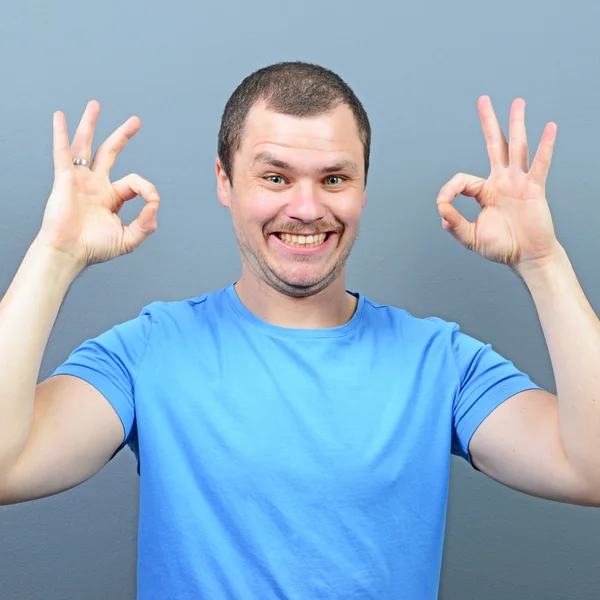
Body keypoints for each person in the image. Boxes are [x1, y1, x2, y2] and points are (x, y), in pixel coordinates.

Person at [0, 61, 598, 599]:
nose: (309, 208)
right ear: (224, 182)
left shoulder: (441, 362)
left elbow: (590, 470)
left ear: (364, 187)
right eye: (276, 178)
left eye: (335, 179)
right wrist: (55, 253)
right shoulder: (146, 351)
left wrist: (542, 261)